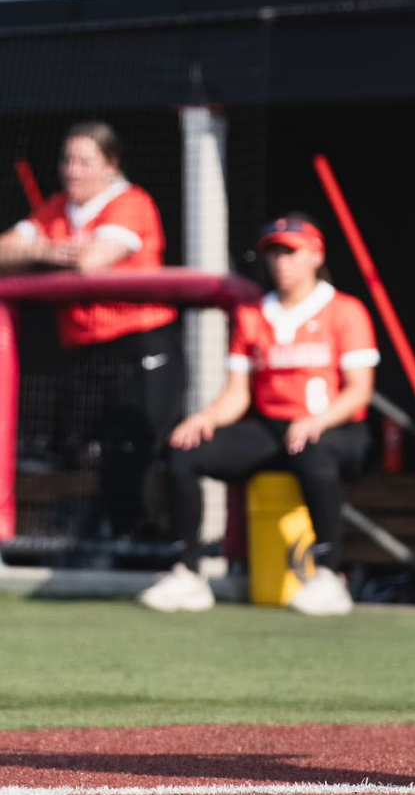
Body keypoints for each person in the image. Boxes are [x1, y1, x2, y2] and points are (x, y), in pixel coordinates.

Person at [137, 214, 379, 616]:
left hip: (335, 429)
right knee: (182, 451)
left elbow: (359, 392)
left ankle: (328, 576)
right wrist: (207, 419)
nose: (281, 262)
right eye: (274, 253)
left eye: (291, 252)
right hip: (273, 430)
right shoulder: (253, 314)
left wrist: (317, 421)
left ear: (316, 256)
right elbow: (238, 394)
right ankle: (188, 573)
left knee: (314, 451)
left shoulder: (345, 310)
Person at [0, 121, 185, 541]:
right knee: (90, 453)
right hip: (87, 354)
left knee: (135, 449)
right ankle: (115, 544)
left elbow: (92, 261)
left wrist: (35, 255)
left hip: (143, 347)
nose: (72, 170)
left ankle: (160, 548)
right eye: (67, 160)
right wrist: (45, 249)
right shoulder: (56, 208)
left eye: (85, 161)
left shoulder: (131, 202)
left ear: (110, 165)